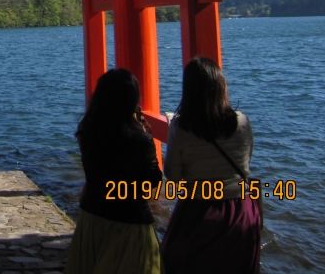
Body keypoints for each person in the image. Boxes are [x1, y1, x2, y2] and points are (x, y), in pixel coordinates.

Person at [162, 57, 261, 274]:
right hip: (239, 207)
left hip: (198, 210)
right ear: (221, 86)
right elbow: (246, 161)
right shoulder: (242, 121)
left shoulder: (181, 126)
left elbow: (173, 175)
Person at [65, 68, 162, 274]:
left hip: (92, 216)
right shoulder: (140, 140)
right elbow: (152, 181)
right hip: (130, 222)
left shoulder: (87, 131)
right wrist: (148, 136)